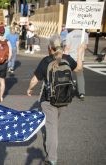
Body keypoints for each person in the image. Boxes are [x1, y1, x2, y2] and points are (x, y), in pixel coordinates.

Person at [27, 35, 84, 165]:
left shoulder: (46, 60)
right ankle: (50, 143)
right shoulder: (68, 59)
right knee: (53, 123)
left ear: (49, 48)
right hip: (64, 99)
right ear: (62, 47)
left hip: (49, 100)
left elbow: (35, 79)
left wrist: (30, 89)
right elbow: (79, 69)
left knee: (52, 128)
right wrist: (80, 52)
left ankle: (52, 158)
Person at [65, 29, 88, 101]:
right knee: (80, 75)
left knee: (68, 74)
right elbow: (85, 47)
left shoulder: (69, 35)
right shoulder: (85, 34)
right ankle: (81, 93)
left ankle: (68, 91)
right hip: (80, 57)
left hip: (71, 57)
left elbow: (67, 47)